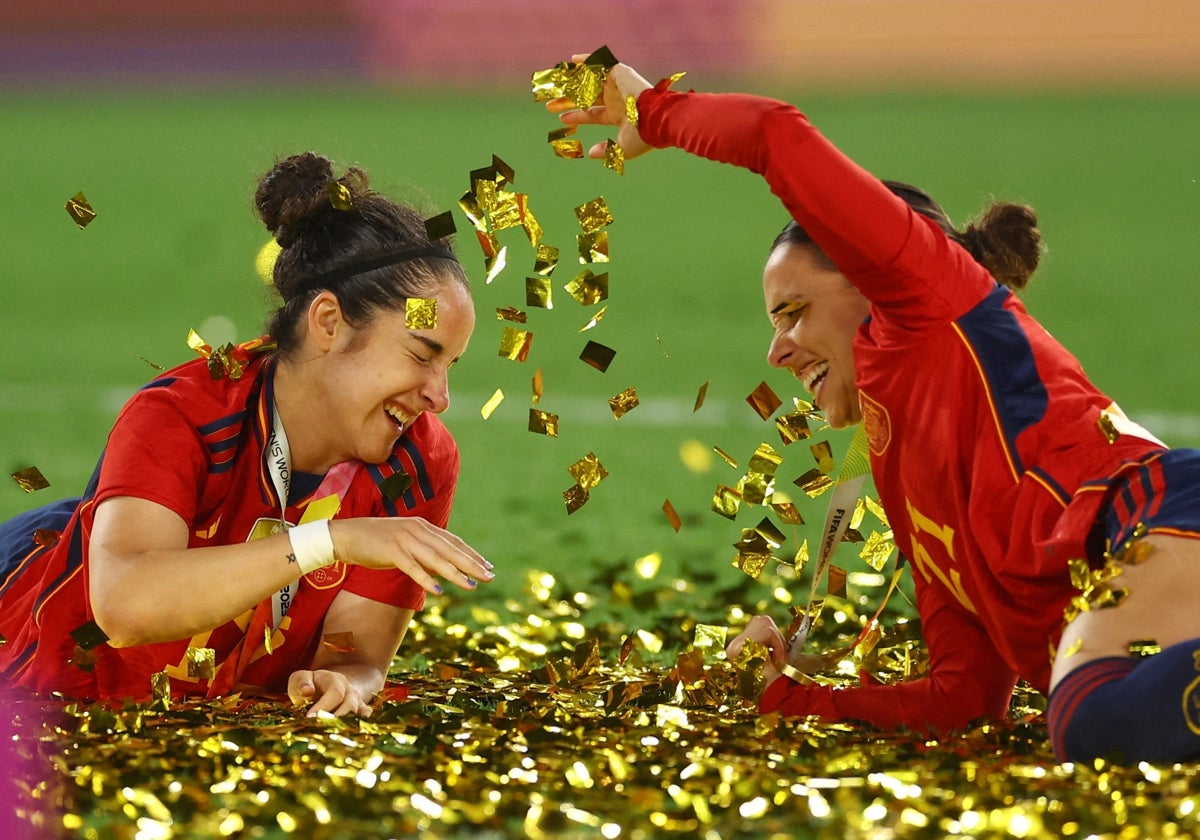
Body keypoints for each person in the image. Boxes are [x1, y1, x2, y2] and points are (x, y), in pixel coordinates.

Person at [551, 58, 1200, 764]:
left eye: (794, 314)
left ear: (871, 278)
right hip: (1138, 569)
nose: (778, 352)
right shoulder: (902, 472)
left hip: (1157, 514)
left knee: (1091, 724)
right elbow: (963, 700)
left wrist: (659, 116)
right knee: (1105, 727)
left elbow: (775, 134)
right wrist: (781, 697)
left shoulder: (927, 298)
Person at [0, 152, 493, 717]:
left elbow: (355, 651)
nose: (440, 394)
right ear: (328, 323)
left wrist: (349, 680)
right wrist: (329, 541)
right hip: (37, 607)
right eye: (421, 355)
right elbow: (125, 608)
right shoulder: (182, 412)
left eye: (450, 364)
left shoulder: (420, 460)